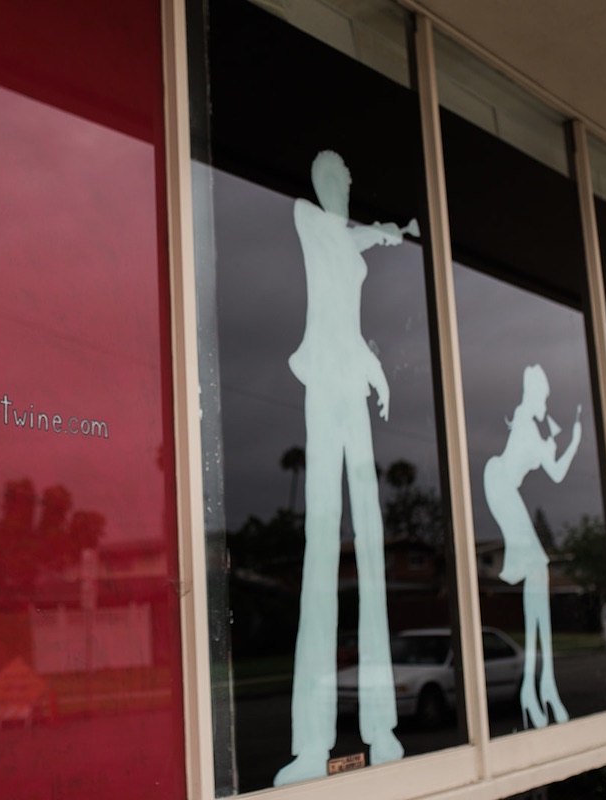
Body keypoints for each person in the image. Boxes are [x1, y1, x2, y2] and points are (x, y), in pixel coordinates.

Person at [274, 150, 417, 787]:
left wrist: (379, 374)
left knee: (375, 552)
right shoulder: (309, 218)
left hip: (353, 384)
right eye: (341, 176)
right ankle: (312, 745)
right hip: (325, 387)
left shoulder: (342, 237)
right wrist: (380, 233)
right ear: (323, 180)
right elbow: (340, 235)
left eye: (349, 179)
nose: (348, 184)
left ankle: (380, 729)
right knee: (322, 550)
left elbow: (350, 316)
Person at [483, 364, 581, 728]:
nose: (546, 403)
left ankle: (537, 687)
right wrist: (554, 443)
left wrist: (572, 442)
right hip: (498, 484)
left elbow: (555, 472)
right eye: (545, 396)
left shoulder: (533, 426)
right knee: (538, 570)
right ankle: (541, 687)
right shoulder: (525, 419)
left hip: (503, 486)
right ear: (534, 395)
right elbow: (547, 463)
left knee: (538, 577)